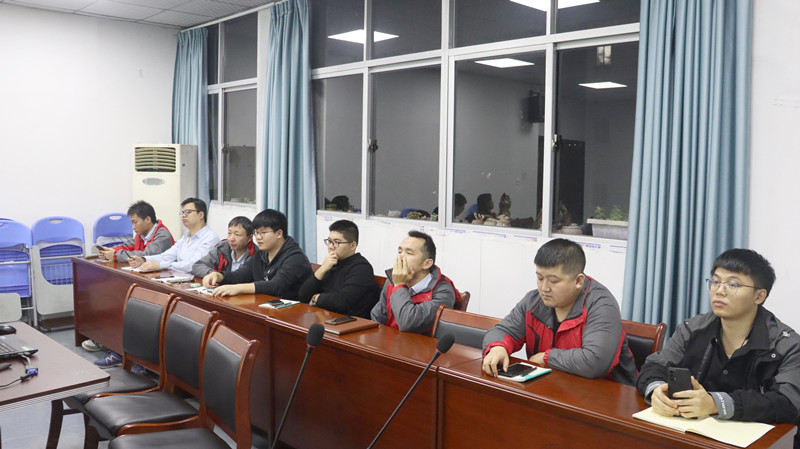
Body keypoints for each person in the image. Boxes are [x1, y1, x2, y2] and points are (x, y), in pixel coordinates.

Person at [637, 249, 800, 436]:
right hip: (694, 435)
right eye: (715, 282)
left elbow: (788, 402)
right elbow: (655, 366)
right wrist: (656, 390)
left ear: (759, 296)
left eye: (733, 284)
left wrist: (716, 404)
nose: (719, 291)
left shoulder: (787, 345)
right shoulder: (692, 329)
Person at [482, 238, 637, 385]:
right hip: (553, 388)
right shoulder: (533, 301)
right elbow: (502, 331)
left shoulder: (601, 306)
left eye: (553, 281)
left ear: (578, 281)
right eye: (540, 278)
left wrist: (546, 358)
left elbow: (595, 361)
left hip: (609, 394)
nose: (544, 288)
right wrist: (497, 347)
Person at [203, 209, 311, 300]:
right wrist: (219, 276)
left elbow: (276, 285)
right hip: (265, 307)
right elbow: (240, 275)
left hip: (294, 312)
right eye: (257, 233)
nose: (258, 237)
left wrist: (237, 288)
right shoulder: (261, 254)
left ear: (279, 233)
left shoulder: (295, 257)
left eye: (263, 233)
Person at [370, 230, 458, 334]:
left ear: (427, 263)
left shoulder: (443, 291)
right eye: (399, 252)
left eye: (409, 253)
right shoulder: (392, 280)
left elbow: (407, 323)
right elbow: (377, 316)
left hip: (418, 343)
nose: (400, 257)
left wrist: (399, 285)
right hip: (388, 340)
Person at [298, 220, 381, 319]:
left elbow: (343, 301)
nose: (330, 247)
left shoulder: (361, 268)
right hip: (325, 317)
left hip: (349, 323)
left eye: (336, 242)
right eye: (329, 241)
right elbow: (303, 296)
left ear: (352, 245)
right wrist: (322, 269)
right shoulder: (331, 263)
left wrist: (317, 298)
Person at [128, 198, 219, 273]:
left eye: (188, 212)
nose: (184, 216)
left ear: (201, 215)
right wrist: (143, 259)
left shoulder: (210, 238)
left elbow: (194, 265)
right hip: (180, 278)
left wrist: (160, 265)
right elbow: (167, 256)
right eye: (182, 213)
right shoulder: (186, 236)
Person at [97, 200, 174, 262]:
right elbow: (128, 246)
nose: (133, 227)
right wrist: (110, 250)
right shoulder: (141, 234)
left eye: (135, 222)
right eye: (132, 223)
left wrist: (115, 255)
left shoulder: (163, 235)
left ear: (147, 219)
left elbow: (146, 256)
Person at [191, 216, 255, 278]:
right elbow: (197, 266)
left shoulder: (255, 255)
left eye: (237, 235)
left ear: (249, 238)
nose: (231, 239)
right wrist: (214, 274)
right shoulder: (223, 247)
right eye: (229, 233)